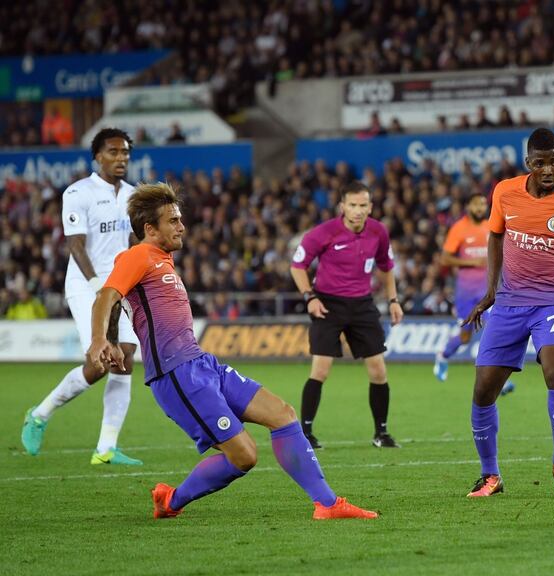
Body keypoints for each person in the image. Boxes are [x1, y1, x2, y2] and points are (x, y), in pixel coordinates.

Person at [87, 183, 376, 520]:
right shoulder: (138, 255)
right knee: (244, 456)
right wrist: (99, 341)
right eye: (173, 221)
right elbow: (106, 296)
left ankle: (327, 504)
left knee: (283, 415)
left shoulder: (162, 261)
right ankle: (172, 500)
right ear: (150, 229)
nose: (182, 226)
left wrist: (111, 337)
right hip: (177, 375)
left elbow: (121, 301)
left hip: (202, 364)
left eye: (180, 219)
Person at [463, 128, 554, 498]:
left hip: (551, 303)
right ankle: (490, 476)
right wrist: (491, 290)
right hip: (510, 303)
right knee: (483, 391)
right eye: (541, 163)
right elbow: (495, 236)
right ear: (528, 163)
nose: (549, 169)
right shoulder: (504, 192)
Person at [21, 128, 143, 465]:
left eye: (126, 153)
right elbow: (75, 243)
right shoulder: (78, 192)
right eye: (114, 152)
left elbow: (134, 243)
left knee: (126, 355)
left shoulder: (133, 195)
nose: (121, 159)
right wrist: (94, 285)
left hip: (120, 286)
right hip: (86, 286)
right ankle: (40, 414)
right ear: (97, 156)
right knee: (100, 362)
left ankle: (106, 448)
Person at [290, 182, 403, 449]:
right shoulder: (323, 232)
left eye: (363, 205)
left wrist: (393, 300)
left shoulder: (378, 231)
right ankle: (305, 434)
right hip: (327, 304)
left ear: (370, 207)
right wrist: (310, 297)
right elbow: (298, 266)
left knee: (378, 370)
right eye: (352, 205)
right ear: (342, 207)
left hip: (362, 305)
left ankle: (381, 433)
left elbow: (387, 268)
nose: (358, 211)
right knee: (321, 370)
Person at [433, 193, 514, 395]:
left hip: (489, 291)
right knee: (465, 336)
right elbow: (444, 259)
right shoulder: (459, 228)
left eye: (483, 204)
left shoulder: (492, 226)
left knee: (493, 330)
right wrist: (471, 262)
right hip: (465, 293)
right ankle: (442, 356)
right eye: (476, 204)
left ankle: (498, 381)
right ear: (468, 206)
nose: (480, 208)